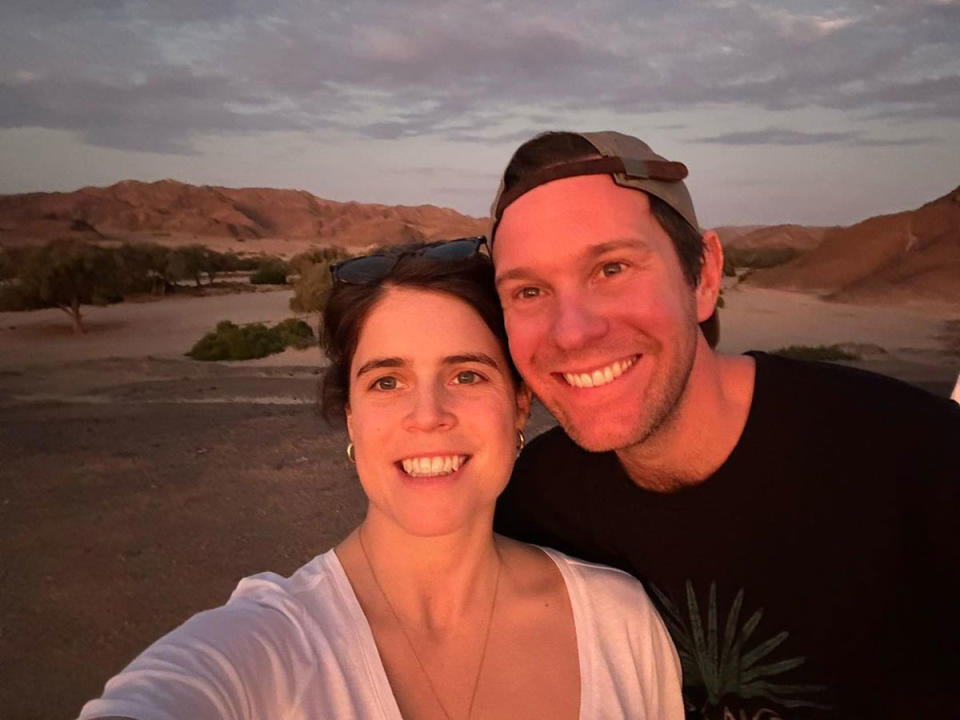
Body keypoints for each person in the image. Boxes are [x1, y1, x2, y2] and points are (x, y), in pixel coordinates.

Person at [79, 238, 683, 720]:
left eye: (467, 375)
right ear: (350, 415)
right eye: (386, 382)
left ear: (520, 405)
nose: (428, 416)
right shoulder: (268, 643)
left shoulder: (618, 622)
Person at [489, 131, 960, 718]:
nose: (572, 332)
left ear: (704, 276)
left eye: (611, 268)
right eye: (529, 291)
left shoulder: (922, 462)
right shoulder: (532, 506)